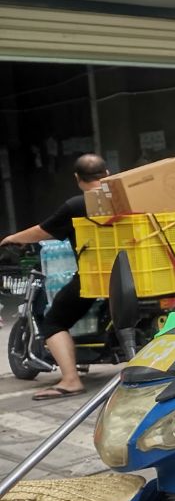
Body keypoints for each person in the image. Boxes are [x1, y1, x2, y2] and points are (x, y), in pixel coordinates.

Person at [0, 153, 111, 399]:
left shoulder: (76, 205)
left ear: (77, 178)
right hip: (141, 273)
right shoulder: (126, 200)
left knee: (54, 321)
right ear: (107, 174)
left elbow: (43, 231)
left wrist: (12, 238)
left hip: (97, 276)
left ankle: (71, 380)